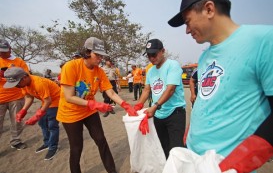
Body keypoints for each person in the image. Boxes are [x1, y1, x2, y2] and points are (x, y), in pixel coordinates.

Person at [168, 0, 273, 172]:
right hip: (194, 157)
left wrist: (241, 162)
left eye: (188, 21)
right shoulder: (204, 57)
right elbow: (207, 97)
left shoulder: (264, 40)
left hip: (225, 164)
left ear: (209, 9)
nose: (186, 31)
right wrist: (192, 127)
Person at [56, 36, 137, 173]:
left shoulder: (99, 71)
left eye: (101, 56)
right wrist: (96, 105)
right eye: (97, 55)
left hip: (89, 111)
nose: (100, 59)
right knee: (77, 147)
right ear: (87, 52)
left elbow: (110, 92)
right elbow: (69, 97)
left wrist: (125, 105)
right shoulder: (71, 67)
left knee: (101, 140)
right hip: (70, 114)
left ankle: (112, 170)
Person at [134, 39, 187, 159]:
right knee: (164, 147)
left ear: (163, 51)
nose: (151, 58)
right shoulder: (151, 71)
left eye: (154, 54)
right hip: (158, 115)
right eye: (149, 55)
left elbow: (170, 89)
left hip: (174, 112)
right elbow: (147, 90)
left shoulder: (173, 65)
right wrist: (138, 105)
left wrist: (155, 106)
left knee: (177, 150)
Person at [3, 67, 60, 160]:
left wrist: (37, 115)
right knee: (42, 123)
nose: (16, 86)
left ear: (24, 77)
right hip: (45, 101)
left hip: (56, 101)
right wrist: (23, 111)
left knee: (52, 125)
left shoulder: (39, 83)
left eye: (17, 83)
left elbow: (48, 101)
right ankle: (47, 143)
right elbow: (29, 97)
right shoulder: (24, 85)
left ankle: (53, 147)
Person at [0, 39, 29, 150]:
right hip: (0, 97)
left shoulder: (19, 61)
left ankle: (16, 141)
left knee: (16, 120)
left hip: (16, 96)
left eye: (4, 51)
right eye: (0, 51)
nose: (2, 53)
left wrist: (8, 75)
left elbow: (25, 75)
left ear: (10, 49)